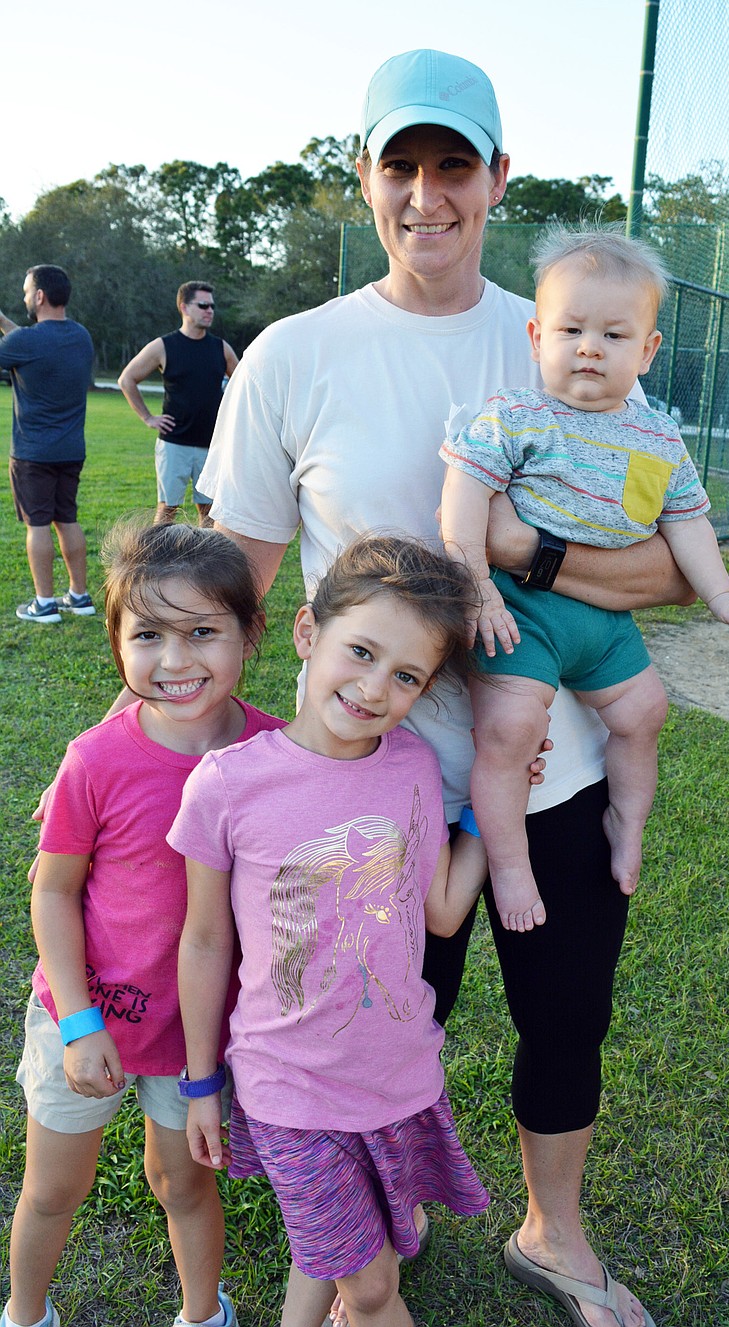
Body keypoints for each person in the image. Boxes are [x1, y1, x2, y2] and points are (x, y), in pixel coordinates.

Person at [198, 47, 699, 1327]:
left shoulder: (562, 334)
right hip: (373, 792)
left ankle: (554, 1232)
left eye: (454, 166)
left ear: (496, 180)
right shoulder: (295, 356)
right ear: (361, 178)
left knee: (565, 1016)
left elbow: (662, 576)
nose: (428, 193)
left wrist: (521, 548)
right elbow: (241, 588)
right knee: (370, 1024)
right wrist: (154, 749)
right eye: (401, 165)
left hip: (555, 766)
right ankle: (373, 1220)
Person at [172, 536, 492, 1327]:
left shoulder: (413, 765)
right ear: (308, 633)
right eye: (361, 650)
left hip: (397, 1075)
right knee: (372, 1285)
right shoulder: (226, 784)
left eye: (407, 675)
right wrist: (200, 1080)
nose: (376, 687)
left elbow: (444, 909)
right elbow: (207, 941)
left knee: (338, 1256)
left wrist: (494, 793)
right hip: (290, 1087)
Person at [439, 228, 729, 929]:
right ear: (537, 336)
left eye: (614, 334)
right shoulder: (516, 414)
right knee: (509, 728)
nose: (589, 346)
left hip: (602, 621)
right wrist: (475, 581)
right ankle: (507, 866)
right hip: (520, 613)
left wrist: (722, 596)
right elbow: (464, 493)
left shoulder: (659, 437)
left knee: (644, 713)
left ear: (648, 350)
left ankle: (628, 822)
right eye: (571, 329)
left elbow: (687, 523)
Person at [2, 522, 282, 1327]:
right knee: (53, 1189)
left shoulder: (277, 754)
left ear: (248, 634)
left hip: (198, 1032)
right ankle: (25, 1313)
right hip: (84, 1015)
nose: (177, 660)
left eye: (203, 632)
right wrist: (81, 1019)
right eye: (149, 634)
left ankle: (204, 1314)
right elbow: (53, 892)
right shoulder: (95, 758)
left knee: (183, 1183)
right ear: (118, 643)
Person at [0, 264, 95, 624]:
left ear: (39, 296)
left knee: (37, 525)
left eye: (27, 291)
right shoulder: (81, 335)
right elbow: (27, 342)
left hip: (32, 454)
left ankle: (44, 603)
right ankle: (79, 596)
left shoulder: (26, 342)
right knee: (66, 519)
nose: (25, 297)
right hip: (71, 451)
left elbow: (20, 345)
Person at [117, 283, 238, 526]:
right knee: (167, 510)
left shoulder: (220, 348)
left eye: (212, 306)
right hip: (174, 444)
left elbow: (243, 384)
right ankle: (155, 562)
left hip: (211, 444)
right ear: (184, 307)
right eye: (203, 305)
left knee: (209, 512)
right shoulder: (164, 346)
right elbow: (126, 379)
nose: (209, 311)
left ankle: (208, 562)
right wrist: (148, 418)